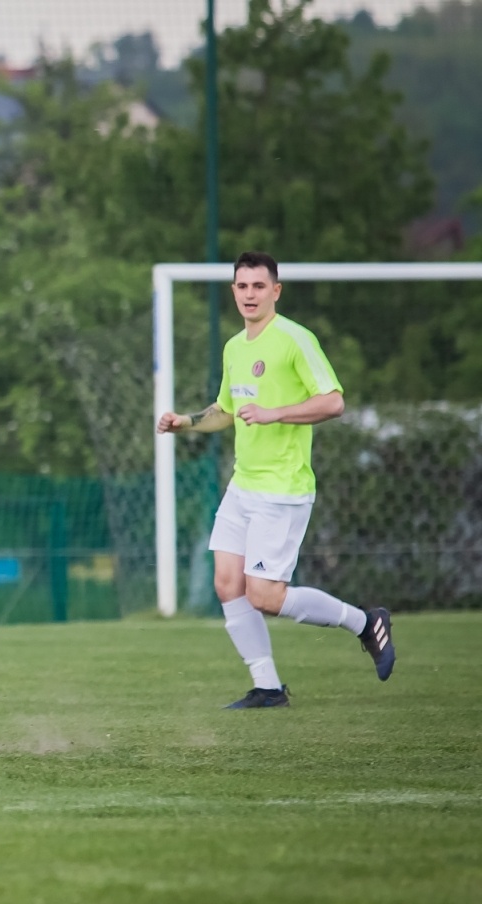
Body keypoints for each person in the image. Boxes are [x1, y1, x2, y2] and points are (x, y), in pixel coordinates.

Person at [157, 250, 394, 708]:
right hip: (243, 485)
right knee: (227, 584)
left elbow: (333, 402)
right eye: (242, 286)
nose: (250, 294)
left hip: (282, 489)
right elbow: (225, 410)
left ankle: (366, 623)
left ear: (275, 291)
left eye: (259, 286)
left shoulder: (294, 340)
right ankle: (267, 687)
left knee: (265, 595)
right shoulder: (233, 347)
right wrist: (184, 422)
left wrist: (274, 413)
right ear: (233, 291)